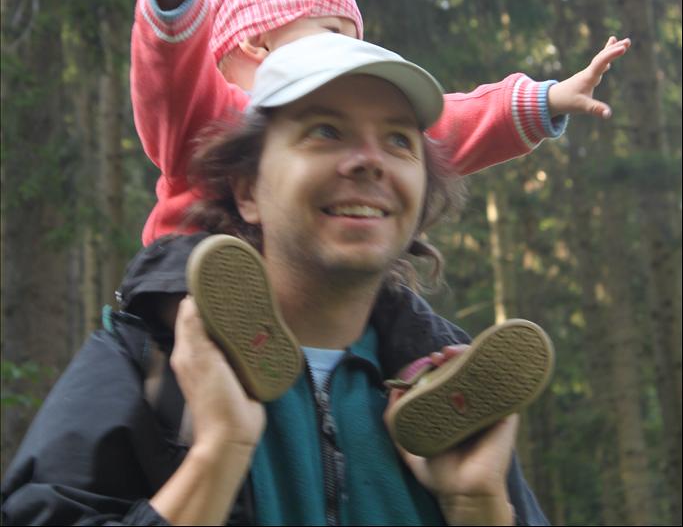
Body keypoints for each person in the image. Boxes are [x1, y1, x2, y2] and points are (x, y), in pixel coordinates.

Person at [2, 33, 551, 527]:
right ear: (247, 190)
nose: (371, 161)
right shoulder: (148, 360)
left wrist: (477, 506)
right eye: (326, 131)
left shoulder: (450, 395)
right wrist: (218, 455)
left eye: (399, 141)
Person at [110, 0, 630, 246]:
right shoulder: (213, 117)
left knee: (395, 302)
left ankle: (429, 368)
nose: (350, 54)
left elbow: (447, 125)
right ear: (257, 43)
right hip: (189, 289)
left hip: (313, 292)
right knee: (169, 296)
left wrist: (544, 101)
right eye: (332, 33)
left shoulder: (360, 129)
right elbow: (170, 84)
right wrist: (175, 4)